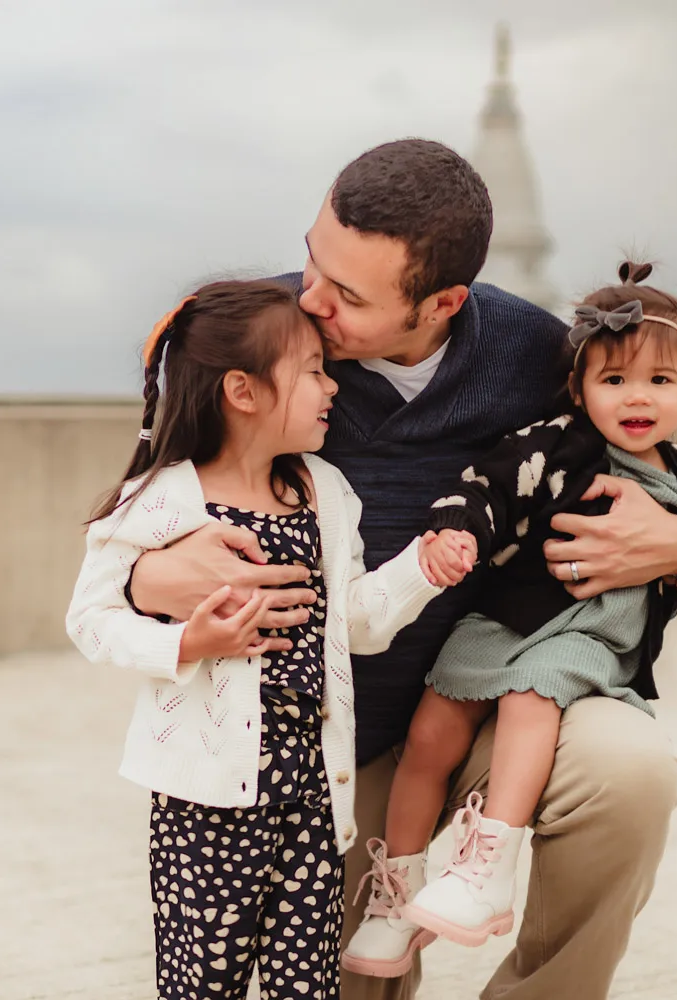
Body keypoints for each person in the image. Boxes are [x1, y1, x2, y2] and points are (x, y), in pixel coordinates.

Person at [127, 139, 677, 1000]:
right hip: (318, 748)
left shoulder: (534, 357)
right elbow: (134, 536)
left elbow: (637, 468)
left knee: (631, 775)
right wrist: (153, 582)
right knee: (356, 982)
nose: (311, 301)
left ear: (442, 302)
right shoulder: (250, 344)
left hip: (488, 704)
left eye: (349, 296)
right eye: (314, 261)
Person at [64, 279, 477, 1000]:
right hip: (206, 807)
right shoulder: (162, 499)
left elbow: (356, 622)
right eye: (314, 370)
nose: (332, 388)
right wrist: (184, 644)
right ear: (242, 391)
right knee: (205, 984)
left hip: (314, 797)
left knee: (308, 984)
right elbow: (91, 620)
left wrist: (422, 566)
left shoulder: (323, 491)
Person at [341, 262, 677, 975]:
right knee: (431, 731)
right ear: (579, 387)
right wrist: (456, 533)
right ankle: (396, 890)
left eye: (660, 382)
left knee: (534, 697)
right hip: (505, 622)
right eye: (614, 379)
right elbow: (484, 491)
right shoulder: (552, 447)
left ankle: (487, 866)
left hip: (590, 638)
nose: (637, 398)